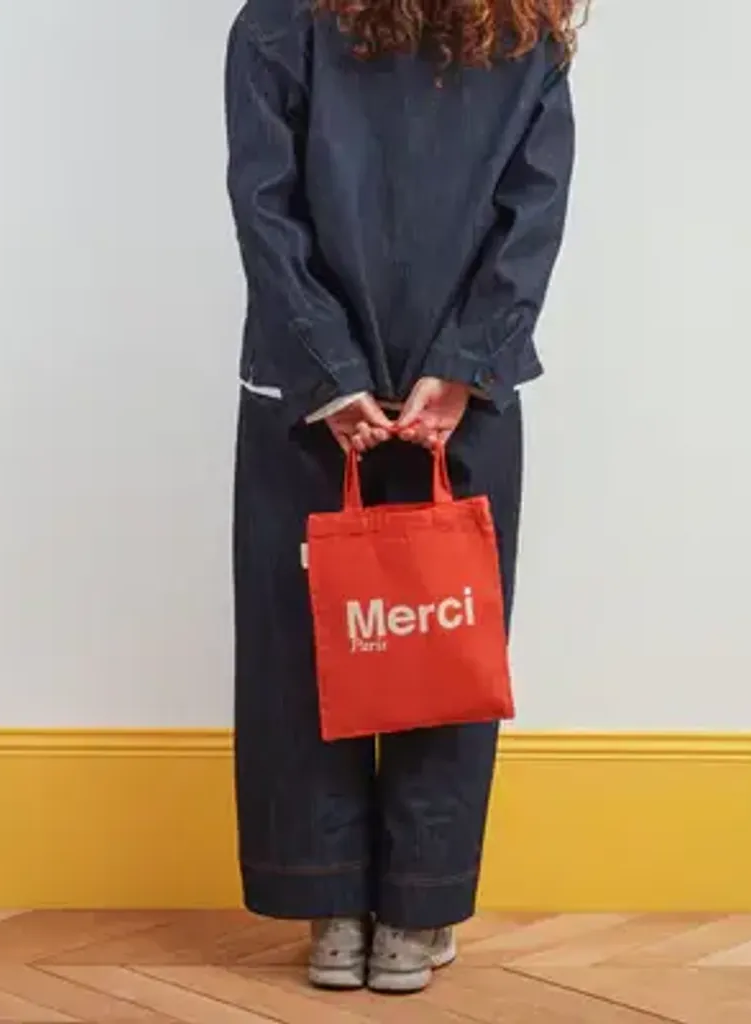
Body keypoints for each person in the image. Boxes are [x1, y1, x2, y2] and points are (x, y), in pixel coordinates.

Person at [225, 0, 582, 995]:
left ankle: (331, 912)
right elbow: (532, 212)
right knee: (440, 639)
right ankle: (415, 917)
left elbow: (264, 205)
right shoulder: (522, 30)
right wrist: (465, 366)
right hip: (458, 399)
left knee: (309, 647)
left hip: (305, 391)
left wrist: (329, 368)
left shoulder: (277, 20)